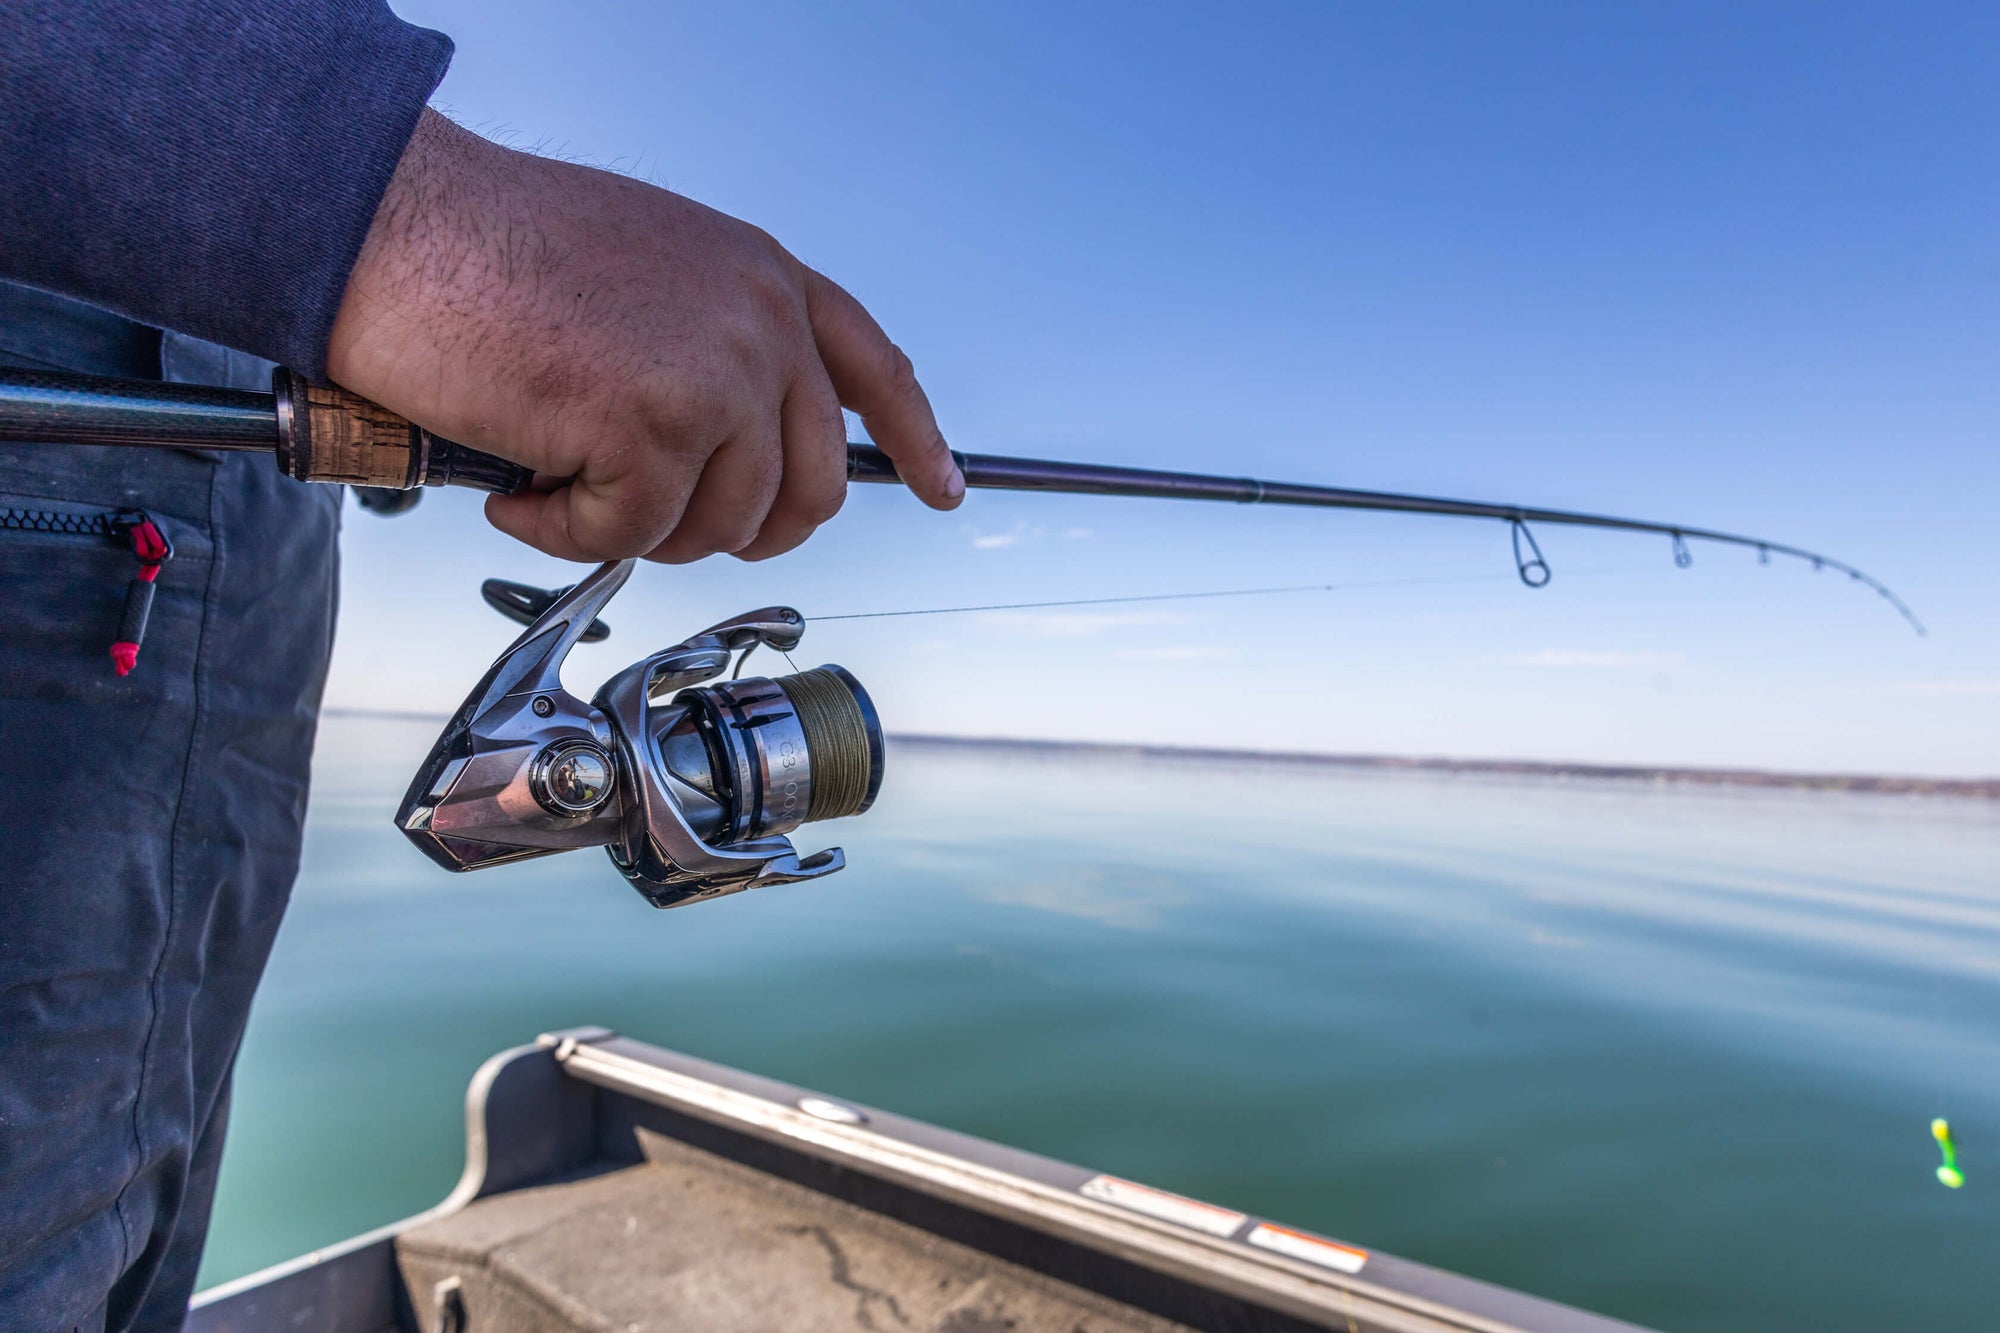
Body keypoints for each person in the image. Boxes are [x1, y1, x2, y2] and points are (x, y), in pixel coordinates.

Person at [0, 4, 962, 1329]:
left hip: (223, 470)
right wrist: (392, 215)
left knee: (119, 1256)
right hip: (85, 421)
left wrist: (346, 315)